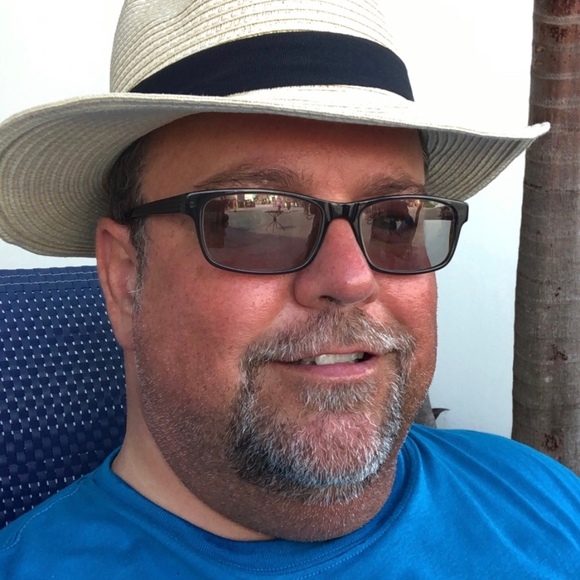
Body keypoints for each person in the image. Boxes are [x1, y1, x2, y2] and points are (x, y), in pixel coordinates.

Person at [0, 0, 578, 577]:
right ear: (125, 278)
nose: (351, 279)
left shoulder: (543, 494)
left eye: (396, 220)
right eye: (257, 219)